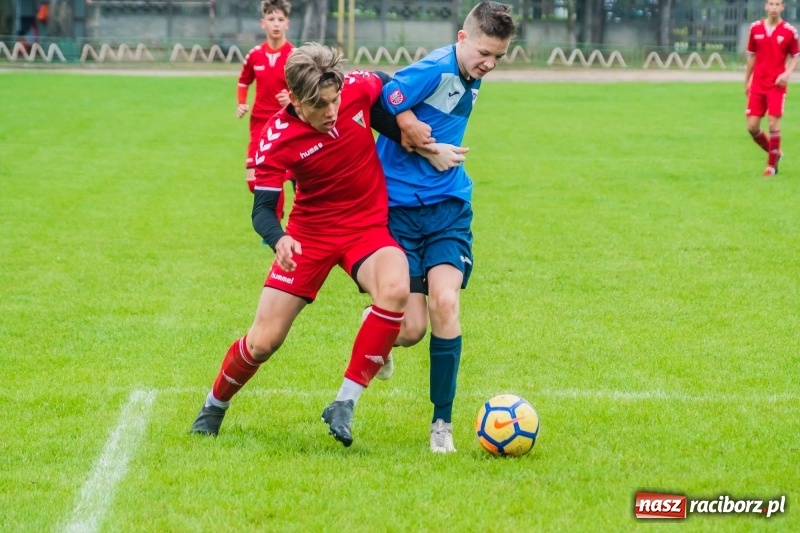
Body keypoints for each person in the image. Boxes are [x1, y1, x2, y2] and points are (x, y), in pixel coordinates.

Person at [190, 43, 412, 448]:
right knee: (263, 341)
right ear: (293, 98)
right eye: (318, 105)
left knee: (396, 290)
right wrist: (280, 238)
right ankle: (214, 405)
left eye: (334, 100)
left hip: (367, 227)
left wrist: (408, 124)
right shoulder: (274, 139)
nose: (331, 111)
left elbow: (390, 84)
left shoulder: (357, 88)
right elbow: (261, 211)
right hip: (309, 234)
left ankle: (344, 403)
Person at [372, 1, 517, 453]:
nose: (490, 63)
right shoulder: (434, 68)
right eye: (483, 53)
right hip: (400, 209)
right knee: (411, 329)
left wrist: (432, 146)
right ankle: (378, 330)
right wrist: (409, 126)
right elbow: (380, 94)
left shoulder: (472, 74)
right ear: (461, 38)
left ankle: (442, 424)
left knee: (445, 303)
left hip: (450, 206)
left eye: (499, 56)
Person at [237, 0, 294, 215]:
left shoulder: (294, 56)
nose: (276, 24)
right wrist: (241, 102)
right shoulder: (254, 55)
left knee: (292, 177)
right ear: (263, 23)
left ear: (287, 23)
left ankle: (278, 227)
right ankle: (277, 215)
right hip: (259, 124)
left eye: (280, 19)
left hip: (286, 122)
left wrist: (291, 99)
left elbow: (305, 90)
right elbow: (243, 82)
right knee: (253, 180)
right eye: (271, 19)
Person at [745, 0, 800, 177]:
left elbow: (795, 55)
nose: (774, 7)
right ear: (766, 6)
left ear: (783, 7)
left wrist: (787, 74)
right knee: (752, 127)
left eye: (778, 4)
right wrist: (747, 81)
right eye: (771, 4)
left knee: (773, 123)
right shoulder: (755, 28)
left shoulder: (789, 31)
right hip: (758, 84)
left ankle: (770, 167)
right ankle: (775, 152)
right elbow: (752, 56)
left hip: (777, 85)